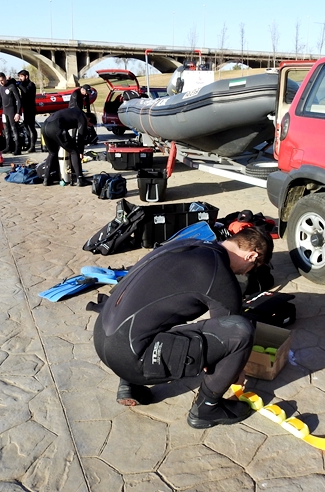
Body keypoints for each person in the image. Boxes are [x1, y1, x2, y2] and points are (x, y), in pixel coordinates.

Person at [93, 228, 274, 429]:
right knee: (241, 330)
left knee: (148, 317)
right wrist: (235, 369)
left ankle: (129, 384)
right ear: (252, 256)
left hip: (103, 339)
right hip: (132, 358)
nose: (247, 273)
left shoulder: (188, 244)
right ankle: (207, 409)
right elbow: (229, 337)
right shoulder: (219, 273)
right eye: (254, 267)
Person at [41, 107, 91, 187]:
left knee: (52, 152)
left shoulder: (75, 111)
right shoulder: (83, 117)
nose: (87, 126)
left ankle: (46, 179)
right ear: (88, 119)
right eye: (89, 125)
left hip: (44, 126)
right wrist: (81, 152)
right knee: (74, 151)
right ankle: (80, 179)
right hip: (56, 127)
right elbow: (81, 138)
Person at [0, 72, 23, 156]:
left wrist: (18, 113)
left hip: (12, 111)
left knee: (14, 129)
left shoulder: (12, 86)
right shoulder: (0, 87)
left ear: (5, 78)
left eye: (2, 80)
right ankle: (8, 147)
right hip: (5, 111)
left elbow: (19, 100)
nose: (1, 82)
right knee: (6, 130)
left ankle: (18, 148)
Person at [17, 70, 37, 153]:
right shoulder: (24, 84)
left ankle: (33, 146)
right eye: (19, 77)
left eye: (21, 76)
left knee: (31, 127)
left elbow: (25, 91)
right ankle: (29, 144)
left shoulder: (31, 85)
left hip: (31, 108)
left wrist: (19, 85)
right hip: (25, 108)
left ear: (26, 76)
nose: (20, 78)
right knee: (26, 126)